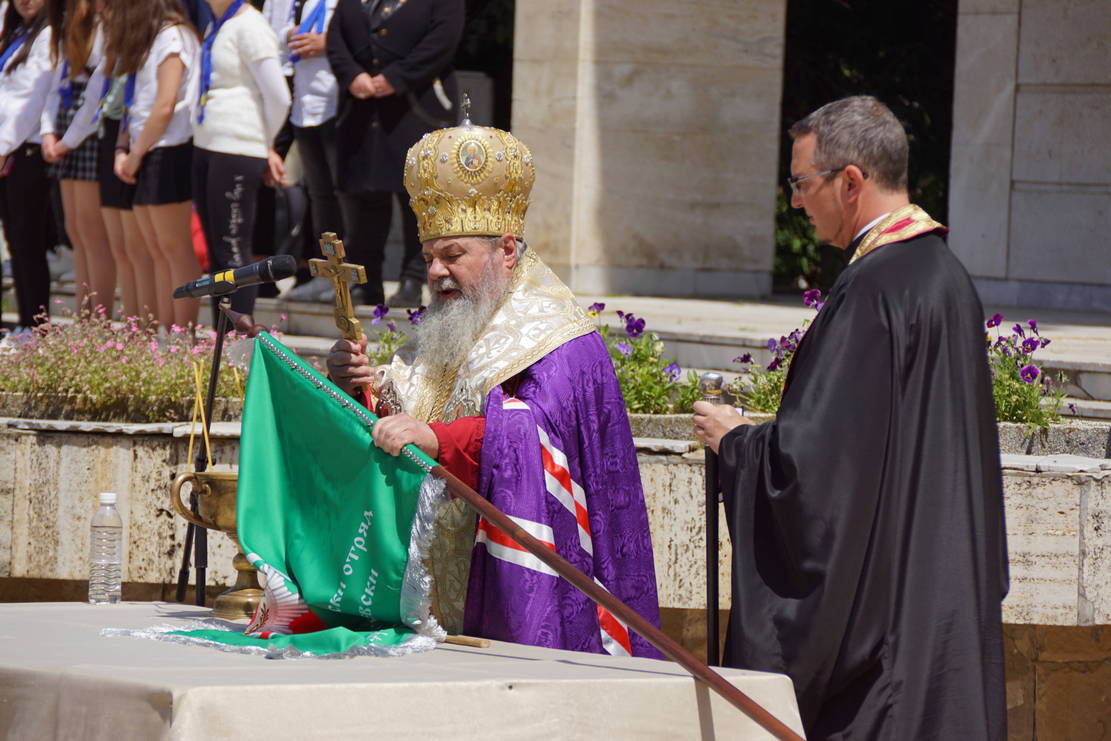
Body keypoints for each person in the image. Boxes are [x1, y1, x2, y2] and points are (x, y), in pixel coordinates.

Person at [692, 96, 1008, 739]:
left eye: (802, 184)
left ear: (852, 181)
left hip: (883, 656)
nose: (797, 203)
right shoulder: (945, 276)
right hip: (936, 614)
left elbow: (816, 481)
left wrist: (739, 445)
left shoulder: (872, 290)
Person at [326, 120, 662, 658]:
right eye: (430, 256)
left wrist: (441, 441)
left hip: (521, 588)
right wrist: (358, 385)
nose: (436, 272)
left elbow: (542, 448)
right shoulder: (454, 320)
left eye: (453, 255)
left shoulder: (559, 340)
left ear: (507, 248)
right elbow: (411, 410)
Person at [325, 0, 463, 308]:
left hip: (416, 109)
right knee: (365, 203)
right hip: (361, 114)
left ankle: (412, 279)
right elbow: (335, 39)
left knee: (418, 200)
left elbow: (442, 42)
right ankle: (366, 282)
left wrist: (397, 77)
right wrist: (351, 75)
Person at [105, 0, 202, 329]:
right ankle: (164, 329)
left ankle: (182, 333)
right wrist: (127, 150)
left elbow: (165, 105)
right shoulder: (152, 39)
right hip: (146, 149)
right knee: (157, 249)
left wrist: (134, 154)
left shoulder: (173, 37)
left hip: (168, 149)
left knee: (174, 247)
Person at [190, 0, 290, 319]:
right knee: (217, 254)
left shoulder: (251, 25)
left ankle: (239, 338)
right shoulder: (218, 25)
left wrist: (264, 143)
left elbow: (279, 96)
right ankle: (220, 334)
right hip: (208, 143)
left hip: (237, 146)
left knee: (233, 250)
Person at [0, 0, 54, 330]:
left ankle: (36, 325)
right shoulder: (18, 32)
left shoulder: (48, 36)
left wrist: (4, 146)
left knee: (28, 241)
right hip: (9, 150)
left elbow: (31, 100)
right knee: (15, 243)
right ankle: (24, 323)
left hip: (26, 151)